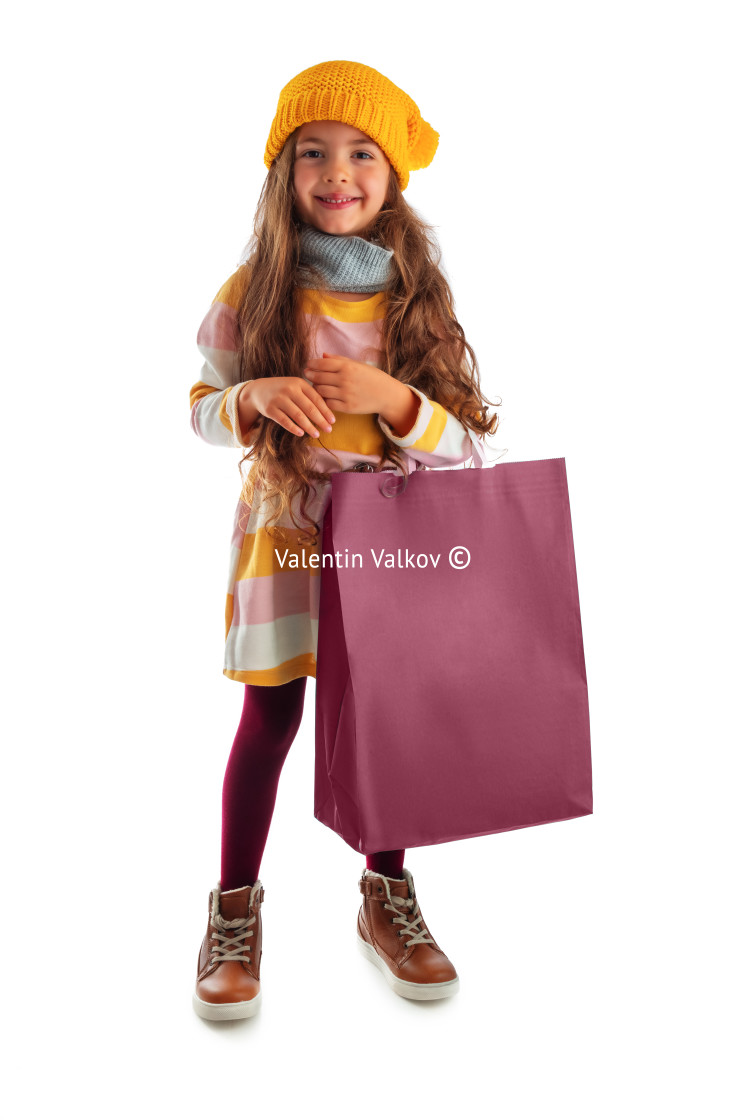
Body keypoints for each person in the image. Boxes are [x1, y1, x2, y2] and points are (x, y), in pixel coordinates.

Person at [189, 60, 501, 1020]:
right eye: (313, 152)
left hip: (390, 549)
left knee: (384, 721)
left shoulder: (416, 295)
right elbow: (200, 409)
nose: (338, 172)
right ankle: (233, 911)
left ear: (392, 173)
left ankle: (385, 897)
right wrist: (246, 397)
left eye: (362, 152)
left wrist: (398, 403)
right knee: (272, 720)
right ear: (284, 172)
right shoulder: (257, 287)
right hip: (285, 539)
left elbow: (469, 446)